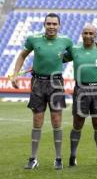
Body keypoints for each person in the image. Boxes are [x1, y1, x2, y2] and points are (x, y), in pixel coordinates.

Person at [10, 13, 73, 169]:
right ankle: (33, 158)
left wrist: (60, 59)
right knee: (37, 121)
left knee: (56, 121)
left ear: (59, 25)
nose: (51, 26)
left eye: (54, 24)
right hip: (38, 82)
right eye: (48, 23)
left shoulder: (66, 41)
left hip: (56, 83)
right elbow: (22, 56)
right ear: (44, 24)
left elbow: (73, 55)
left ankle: (58, 158)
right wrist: (16, 74)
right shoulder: (33, 39)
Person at [64, 24, 97, 169]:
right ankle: (72, 156)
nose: (88, 36)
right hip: (81, 90)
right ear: (81, 34)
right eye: (86, 33)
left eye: (91, 33)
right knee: (77, 124)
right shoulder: (74, 49)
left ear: (95, 35)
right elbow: (59, 59)